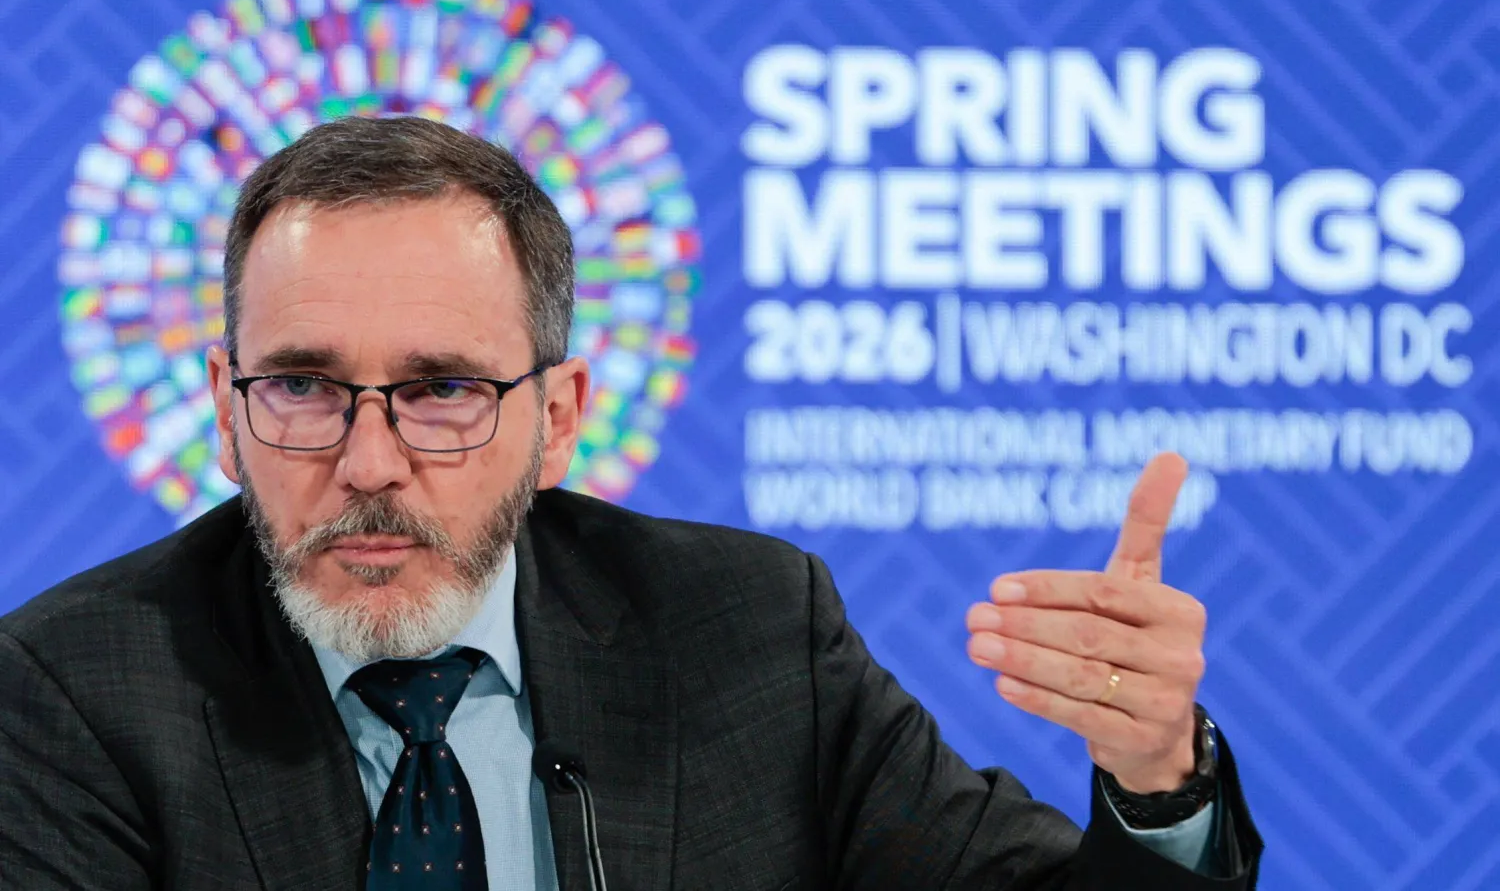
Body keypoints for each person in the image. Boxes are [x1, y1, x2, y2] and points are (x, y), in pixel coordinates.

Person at [0, 116, 1260, 890]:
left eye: (442, 389)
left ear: (558, 418)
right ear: (226, 411)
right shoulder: (78, 690)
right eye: (304, 387)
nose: (371, 462)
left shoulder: (747, 632)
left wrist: (1155, 779)